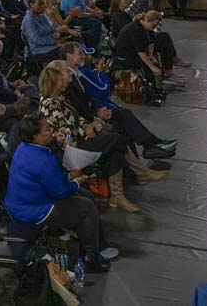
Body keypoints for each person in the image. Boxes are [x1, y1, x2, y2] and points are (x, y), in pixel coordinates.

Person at [5, 115, 113, 272]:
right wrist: (77, 182)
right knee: (86, 206)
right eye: (47, 129)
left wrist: (69, 176)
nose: (51, 132)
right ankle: (91, 257)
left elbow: (49, 179)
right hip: (33, 210)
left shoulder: (24, 148)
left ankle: (90, 247)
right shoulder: (43, 159)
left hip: (20, 203)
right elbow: (59, 192)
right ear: (35, 136)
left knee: (83, 197)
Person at [38, 64, 150, 212]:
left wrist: (88, 125)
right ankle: (141, 172)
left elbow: (76, 119)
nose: (64, 82)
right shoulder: (49, 105)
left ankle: (117, 197)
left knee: (115, 152)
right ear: (52, 83)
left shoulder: (60, 99)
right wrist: (85, 131)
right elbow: (66, 132)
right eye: (60, 80)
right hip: (72, 151)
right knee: (115, 138)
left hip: (80, 142)